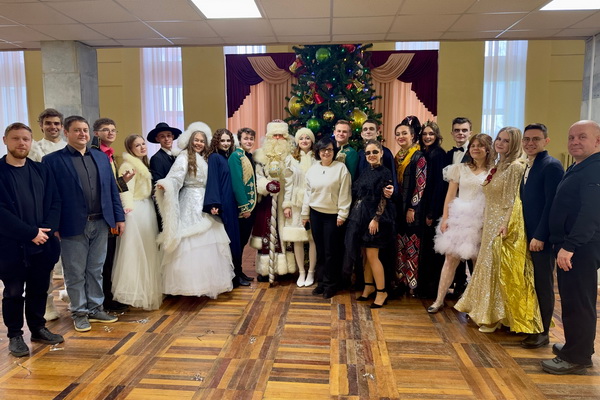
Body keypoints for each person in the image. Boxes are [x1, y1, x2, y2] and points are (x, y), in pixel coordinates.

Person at [454, 127, 542, 334]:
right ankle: (487, 312)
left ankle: (495, 317)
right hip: (490, 220)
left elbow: (513, 199)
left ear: (515, 144)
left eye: (506, 141)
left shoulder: (515, 167)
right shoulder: (499, 165)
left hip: (502, 223)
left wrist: (505, 223)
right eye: (499, 139)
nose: (500, 143)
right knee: (487, 266)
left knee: (496, 268)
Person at [43, 116, 125, 333]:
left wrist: (119, 218)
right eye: (77, 130)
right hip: (71, 224)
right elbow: (49, 196)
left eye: (85, 130)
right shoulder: (52, 160)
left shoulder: (100, 157)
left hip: (101, 222)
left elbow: (112, 189)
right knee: (75, 272)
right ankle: (79, 312)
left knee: (96, 270)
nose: (82, 134)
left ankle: (96, 308)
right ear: (66, 133)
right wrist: (53, 226)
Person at [541, 120, 600, 375]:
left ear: (597, 141)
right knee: (572, 300)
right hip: (571, 246)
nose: (575, 141)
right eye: (571, 137)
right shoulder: (581, 166)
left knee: (579, 303)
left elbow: (591, 212)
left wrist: (570, 246)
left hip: (580, 248)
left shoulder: (595, 169)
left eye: (582, 137)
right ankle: (575, 347)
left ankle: (577, 357)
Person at [0, 123, 64, 357]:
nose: (21, 143)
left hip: (43, 243)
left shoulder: (41, 170)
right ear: (5, 140)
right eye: (15, 138)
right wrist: (31, 233)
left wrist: (45, 230)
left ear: (31, 141)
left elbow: (55, 201)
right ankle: (15, 335)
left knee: (39, 289)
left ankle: (37, 328)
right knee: (14, 292)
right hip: (11, 246)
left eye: (25, 139)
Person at [156, 124, 235, 298]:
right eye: (196, 140)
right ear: (190, 141)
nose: (199, 143)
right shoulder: (184, 156)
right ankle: (188, 285)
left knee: (209, 244)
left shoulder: (207, 158)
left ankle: (208, 283)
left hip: (206, 201)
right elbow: (176, 177)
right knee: (190, 243)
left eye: (202, 141)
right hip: (190, 202)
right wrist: (166, 184)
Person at [427, 134, 493, 313]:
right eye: (473, 146)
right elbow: (450, 195)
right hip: (459, 217)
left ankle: (476, 304)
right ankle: (439, 300)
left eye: (480, 146)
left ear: (488, 149)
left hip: (481, 219)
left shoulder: (493, 171)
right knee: (450, 259)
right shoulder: (459, 169)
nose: (475, 149)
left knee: (477, 262)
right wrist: (445, 218)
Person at [520, 123, 563, 349]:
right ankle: (531, 325)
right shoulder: (529, 164)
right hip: (526, 235)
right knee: (531, 283)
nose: (530, 143)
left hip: (540, 238)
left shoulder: (551, 165)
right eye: (527, 139)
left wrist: (540, 235)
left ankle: (543, 331)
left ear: (546, 141)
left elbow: (551, 205)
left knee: (543, 284)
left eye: (535, 139)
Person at [111, 134, 163, 310]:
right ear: (130, 149)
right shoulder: (128, 165)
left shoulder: (143, 164)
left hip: (146, 208)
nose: (142, 147)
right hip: (136, 210)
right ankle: (134, 291)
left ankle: (148, 289)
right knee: (136, 251)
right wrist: (128, 210)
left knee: (147, 250)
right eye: (137, 145)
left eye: (143, 144)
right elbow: (125, 189)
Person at [346, 139, 395, 308]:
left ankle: (382, 292)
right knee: (366, 255)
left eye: (375, 152)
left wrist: (376, 219)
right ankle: (369, 287)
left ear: (381, 152)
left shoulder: (385, 172)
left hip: (376, 218)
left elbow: (384, 198)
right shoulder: (366, 170)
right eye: (368, 153)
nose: (371, 155)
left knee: (373, 256)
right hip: (362, 217)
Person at [27, 109, 67, 322]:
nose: (53, 127)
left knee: (72, 259)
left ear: (62, 126)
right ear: (41, 126)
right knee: (46, 263)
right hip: (46, 210)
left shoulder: (68, 147)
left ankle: (72, 295)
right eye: (48, 123)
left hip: (68, 210)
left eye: (57, 123)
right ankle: (47, 304)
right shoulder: (36, 149)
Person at [301, 137, 352, 299]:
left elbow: (345, 193)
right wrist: (305, 214)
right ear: (318, 152)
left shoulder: (341, 168)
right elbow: (307, 193)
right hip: (316, 214)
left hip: (333, 216)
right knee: (320, 250)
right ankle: (321, 282)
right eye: (323, 150)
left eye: (329, 149)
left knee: (331, 251)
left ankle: (331, 284)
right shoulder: (313, 169)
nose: (326, 152)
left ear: (334, 151)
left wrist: (342, 214)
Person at [91, 118, 132, 313]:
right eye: (105, 130)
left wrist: (123, 181)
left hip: (111, 212)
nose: (110, 133)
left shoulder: (109, 154)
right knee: (102, 261)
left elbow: (112, 185)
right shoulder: (95, 154)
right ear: (96, 133)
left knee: (109, 259)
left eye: (113, 130)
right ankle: (102, 300)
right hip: (101, 214)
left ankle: (108, 297)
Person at [250, 121, 296, 284]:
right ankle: (265, 270)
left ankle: (285, 269)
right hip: (267, 201)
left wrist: (288, 200)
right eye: (275, 135)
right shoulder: (260, 156)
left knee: (285, 235)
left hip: (285, 200)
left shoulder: (291, 156)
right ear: (269, 137)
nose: (277, 138)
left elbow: (294, 178)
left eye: (281, 136)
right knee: (267, 233)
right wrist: (267, 185)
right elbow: (257, 177)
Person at [203, 128, 246, 288]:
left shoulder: (228, 157)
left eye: (228, 140)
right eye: (222, 140)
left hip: (232, 202)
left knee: (235, 239)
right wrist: (214, 204)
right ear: (216, 142)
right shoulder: (215, 157)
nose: (226, 143)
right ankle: (233, 277)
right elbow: (213, 180)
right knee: (230, 240)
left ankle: (238, 272)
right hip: (224, 203)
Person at [394, 116, 426, 294]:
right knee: (400, 246)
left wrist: (413, 208)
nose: (401, 136)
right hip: (399, 208)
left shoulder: (418, 156)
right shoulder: (397, 157)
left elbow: (421, 185)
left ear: (412, 136)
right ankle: (401, 281)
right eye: (398, 134)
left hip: (413, 209)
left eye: (404, 133)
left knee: (412, 246)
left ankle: (412, 284)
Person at [416, 121, 448, 298]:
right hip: (425, 205)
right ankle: (424, 287)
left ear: (437, 136)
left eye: (431, 134)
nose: (427, 137)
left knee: (432, 251)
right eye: (425, 134)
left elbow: (438, 186)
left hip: (433, 208)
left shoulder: (438, 154)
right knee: (426, 249)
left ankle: (431, 289)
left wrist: (431, 213)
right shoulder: (426, 153)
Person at [282, 127, 317, 287]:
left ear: (312, 141)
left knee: (312, 238)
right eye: (301, 138)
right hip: (296, 203)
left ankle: (311, 272)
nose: (304, 140)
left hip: (314, 202)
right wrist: (287, 204)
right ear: (297, 141)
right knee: (297, 238)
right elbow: (288, 184)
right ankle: (301, 272)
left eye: (307, 138)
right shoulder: (291, 159)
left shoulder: (317, 158)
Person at [445, 117, 473, 297]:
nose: (460, 133)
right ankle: (459, 284)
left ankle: (474, 293)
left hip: (471, 208)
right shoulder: (448, 154)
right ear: (452, 133)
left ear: (470, 132)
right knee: (454, 248)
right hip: (453, 207)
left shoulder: (477, 153)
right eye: (457, 130)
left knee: (471, 251)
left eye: (464, 130)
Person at [228, 127, 257, 282]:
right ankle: (235, 275)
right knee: (238, 242)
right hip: (243, 208)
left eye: (251, 139)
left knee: (243, 242)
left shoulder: (247, 156)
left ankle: (239, 272)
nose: (249, 141)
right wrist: (244, 207)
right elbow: (237, 183)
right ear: (239, 140)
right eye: (246, 138)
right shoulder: (236, 156)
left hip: (251, 206)